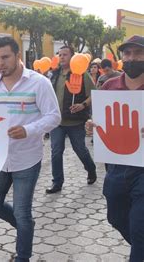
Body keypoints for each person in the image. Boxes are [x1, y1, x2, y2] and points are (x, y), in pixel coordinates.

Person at [0, 37, 60, 261]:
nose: (0, 63)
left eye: (5, 57)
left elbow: (54, 116)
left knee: (22, 210)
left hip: (27, 159)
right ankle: (25, 227)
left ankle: (23, 255)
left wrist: (28, 129)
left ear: (18, 56)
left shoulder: (39, 83)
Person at [87, 35, 144, 262]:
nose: (132, 58)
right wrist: (92, 126)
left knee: (139, 227)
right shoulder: (110, 86)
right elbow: (100, 119)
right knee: (116, 217)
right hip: (117, 166)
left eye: (138, 54)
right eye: (127, 54)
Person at [46, 45, 97, 194]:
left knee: (79, 149)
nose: (61, 57)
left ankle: (91, 169)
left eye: (65, 54)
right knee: (56, 151)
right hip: (57, 122)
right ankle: (57, 182)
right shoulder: (54, 75)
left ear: (72, 56)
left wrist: (83, 105)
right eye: (59, 54)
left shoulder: (82, 75)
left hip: (75, 122)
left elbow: (94, 94)